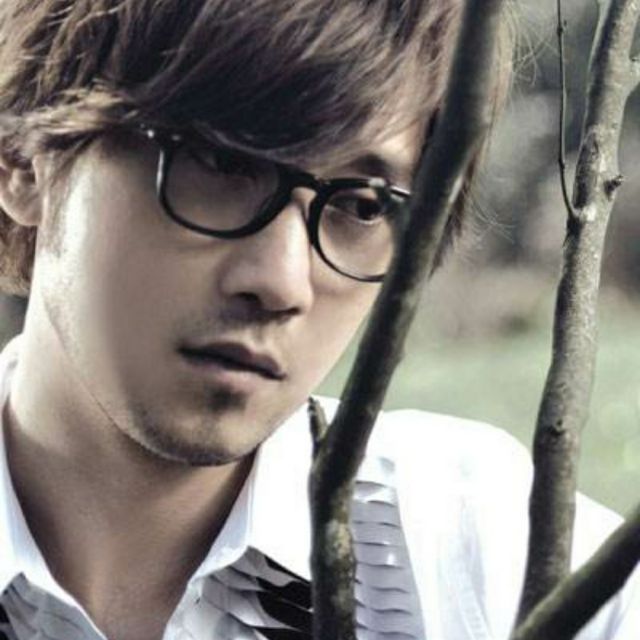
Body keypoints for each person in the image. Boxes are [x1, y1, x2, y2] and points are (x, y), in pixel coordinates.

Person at [0, 1, 636, 639]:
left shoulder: (485, 555)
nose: (281, 282)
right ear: (23, 159)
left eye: (362, 206)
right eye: (220, 163)